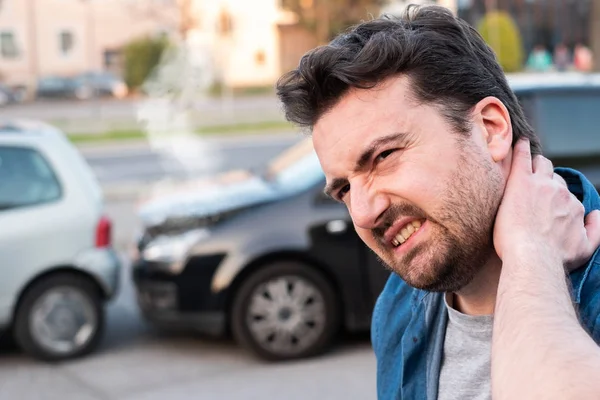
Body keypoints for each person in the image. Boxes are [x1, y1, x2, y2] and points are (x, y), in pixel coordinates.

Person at [276, 5, 600, 400]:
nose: (362, 212)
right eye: (344, 189)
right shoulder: (397, 309)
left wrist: (530, 253)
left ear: (490, 130)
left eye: (384, 156)